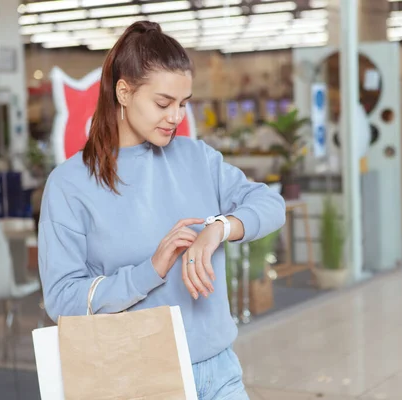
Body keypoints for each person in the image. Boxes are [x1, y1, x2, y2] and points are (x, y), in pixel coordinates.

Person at [37, 20, 286, 400]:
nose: (176, 117)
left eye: (183, 104)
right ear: (124, 92)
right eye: (163, 103)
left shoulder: (197, 157)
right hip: (135, 377)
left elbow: (270, 204)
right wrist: (148, 272)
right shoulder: (70, 184)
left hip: (219, 371)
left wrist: (219, 227)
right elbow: (62, 298)